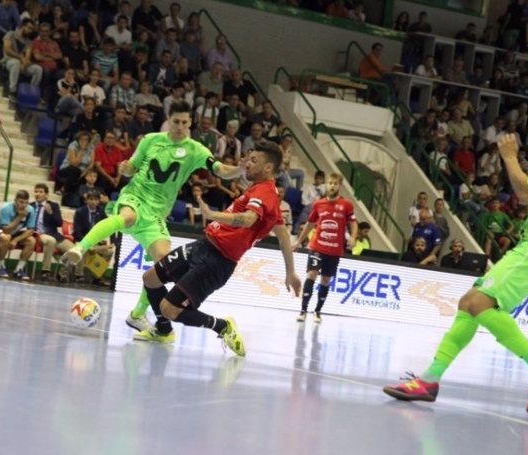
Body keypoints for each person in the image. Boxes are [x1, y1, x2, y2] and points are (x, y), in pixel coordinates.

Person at [383, 94, 528, 413]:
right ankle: (430, 379)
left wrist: (510, 157)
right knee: (468, 304)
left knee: (478, 303)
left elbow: (526, 194)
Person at [61, 100, 244, 333]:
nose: (179, 126)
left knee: (163, 264)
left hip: (157, 214)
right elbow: (132, 167)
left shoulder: (196, 150)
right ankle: (80, 248)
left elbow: (220, 170)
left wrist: (239, 169)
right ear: (168, 121)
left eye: (184, 122)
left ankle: (137, 315)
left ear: (190, 123)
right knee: (127, 217)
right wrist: (127, 169)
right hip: (136, 196)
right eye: (175, 121)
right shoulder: (150, 140)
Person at [135, 140, 302, 355]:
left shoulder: (265, 194)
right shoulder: (262, 192)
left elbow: (248, 219)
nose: (248, 164)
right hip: (203, 246)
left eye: (253, 161)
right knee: (150, 279)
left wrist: (213, 215)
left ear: (268, 168)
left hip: (217, 261)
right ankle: (163, 331)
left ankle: (222, 327)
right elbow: (283, 236)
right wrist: (291, 272)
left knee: (169, 309)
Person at [293, 173, 357, 323]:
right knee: (311, 274)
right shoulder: (318, 204)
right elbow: (310, 224)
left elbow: (353, 222)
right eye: (330, 183)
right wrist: (298, 241)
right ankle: (303, 310)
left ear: (339, 186)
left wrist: (353, 237)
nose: (332, 186)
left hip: (334, 250)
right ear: (326, 185)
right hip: (317, 246)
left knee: (326, 280)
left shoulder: (346, 205)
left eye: (335, 183)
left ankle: (317, 311)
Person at [31, 183, 74, 281]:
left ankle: (62, 273)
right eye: (36, 191)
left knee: (74, 250)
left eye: (40, 192)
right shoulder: (31, 206)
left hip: (53, 234)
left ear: (46, 195)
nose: (37, 194)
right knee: (50, 241)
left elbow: (59, 223)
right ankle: (45, 271)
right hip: (38, 234)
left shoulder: (53, 205)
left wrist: (50, 213)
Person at [0, 189, 37, 280]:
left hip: (16, 231)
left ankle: (19, 269)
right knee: (6, 238)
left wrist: (16, 240)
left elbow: (30, 230)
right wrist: (20, 217)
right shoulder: (6, 208)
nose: (24, 205)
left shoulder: (31, 210)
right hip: (0, 229)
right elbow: (6, 230)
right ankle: (0, 267)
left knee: (31, 240)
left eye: (26, 202)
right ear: (15, 200)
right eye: (21, 202)